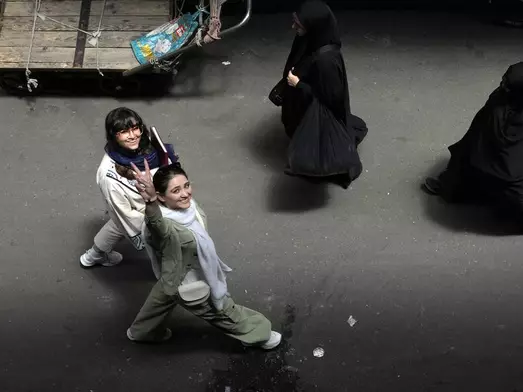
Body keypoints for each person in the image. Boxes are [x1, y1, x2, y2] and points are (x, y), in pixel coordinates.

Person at [126, 160, 282, 350]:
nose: (185, 194)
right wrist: (150, 202)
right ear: (161, 197)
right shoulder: (164, 226)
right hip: (188, 282)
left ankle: (141, 331)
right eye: (176, 191)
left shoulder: (187, 209)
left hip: (172, 275)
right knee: (221, 311)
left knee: (163, 296)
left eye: (186, 185)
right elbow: (156, 223)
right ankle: (258, 334)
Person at [424, 61, 523, 233]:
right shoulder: (519, 97)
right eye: (504, 80)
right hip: (483, 142)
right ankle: (452, 187)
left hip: (508, 163)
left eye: (508, 85)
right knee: (463, 161)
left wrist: (494, 121)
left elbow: (510, 158)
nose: (502, 85)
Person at [280, 0, 368, 189]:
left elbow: (330, 99)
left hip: (317, 108)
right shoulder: (313, 38)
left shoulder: (325, 60)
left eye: (298, 23)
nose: (293, 26)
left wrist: (298, 84)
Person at [79, 107, 178, 269]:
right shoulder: (108, 174)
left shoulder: (148, 147)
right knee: (167, 247)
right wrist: (158, 228)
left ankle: (94, 255)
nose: (133, 136)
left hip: (155, 202)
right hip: (145, 212)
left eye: (135, 129)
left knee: (117, 225)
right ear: (114, 135)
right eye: (124, 132)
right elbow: (124, 213)